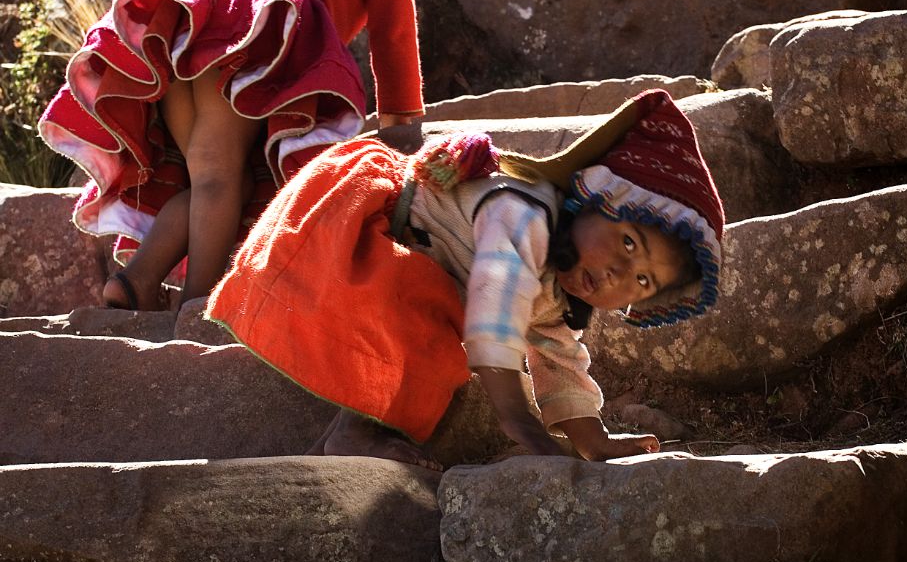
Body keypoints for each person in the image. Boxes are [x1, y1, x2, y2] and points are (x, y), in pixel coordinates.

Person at [206, 89, 726, 468]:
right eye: (629, 243)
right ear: (591, 195)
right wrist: (520, 422)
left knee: (439, 308)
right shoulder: (524, 216)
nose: (618, 273)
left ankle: (348, 435)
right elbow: (495, 317)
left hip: (402, 257)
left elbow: (559, 357)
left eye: (641, 284)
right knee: (438, 315)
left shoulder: (562, 288)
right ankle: (356, 430)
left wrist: (592, 441)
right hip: (355, 222)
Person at [38, 0, 424, 311]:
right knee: (221, 176)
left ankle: (136, 279)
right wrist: (402, 121)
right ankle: (200, 306)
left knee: (216, 179)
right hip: (247, 40)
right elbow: (393, 33)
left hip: (190, 28)